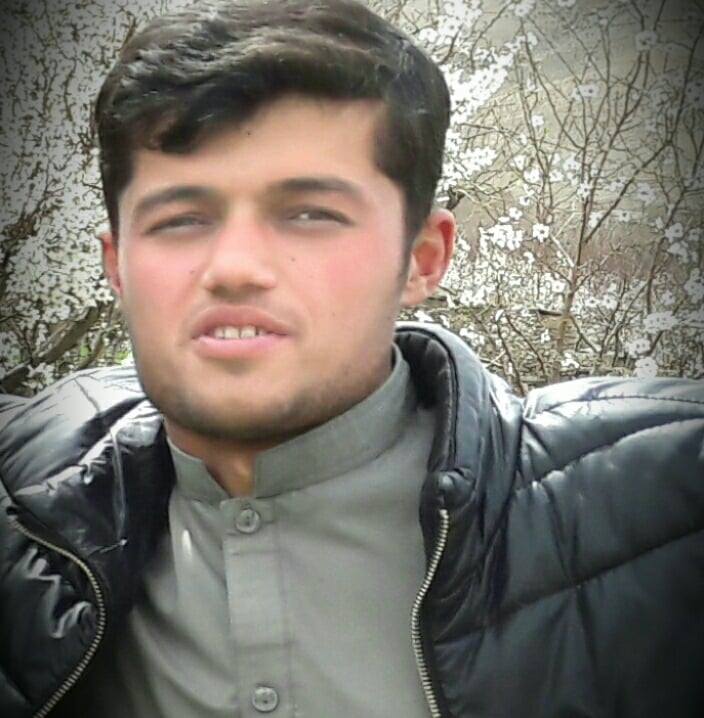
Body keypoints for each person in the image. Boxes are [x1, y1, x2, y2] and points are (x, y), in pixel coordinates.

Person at [1, 0, 702, 716]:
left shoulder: (666, 510)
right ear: (116, 265)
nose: (235, 267)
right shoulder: (29, 521)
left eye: (310, 214)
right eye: (181, 219)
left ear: (423, 258)